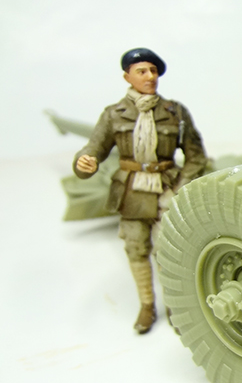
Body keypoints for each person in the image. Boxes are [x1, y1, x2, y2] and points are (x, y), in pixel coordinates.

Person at [73, 48, 207, 334]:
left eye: (153, 71)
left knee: (169, 250)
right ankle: (147, 305)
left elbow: (196, 156)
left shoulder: (174, 112)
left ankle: (175, 306)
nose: (150, 77)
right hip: (132, 191)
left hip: (166, 188)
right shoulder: (114, 114)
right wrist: (85, 162)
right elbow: (94, 148)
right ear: (127, 77)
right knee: (136, 248)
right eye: (142, 71)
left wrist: (181, 186)